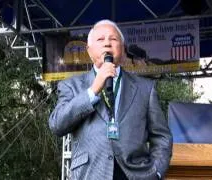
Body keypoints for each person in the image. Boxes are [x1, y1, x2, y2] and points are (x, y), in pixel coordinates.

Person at [49, 19, 173, 180]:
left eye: (113, 39)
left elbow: (162, 136)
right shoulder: (71, 86)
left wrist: (156, 172)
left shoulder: (145, 88)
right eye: (100, 39)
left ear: (123, 49)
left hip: (135, 174)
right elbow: (57, 125)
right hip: (91, 173)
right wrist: (93, 90)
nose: (107, 44)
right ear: (89, 50)